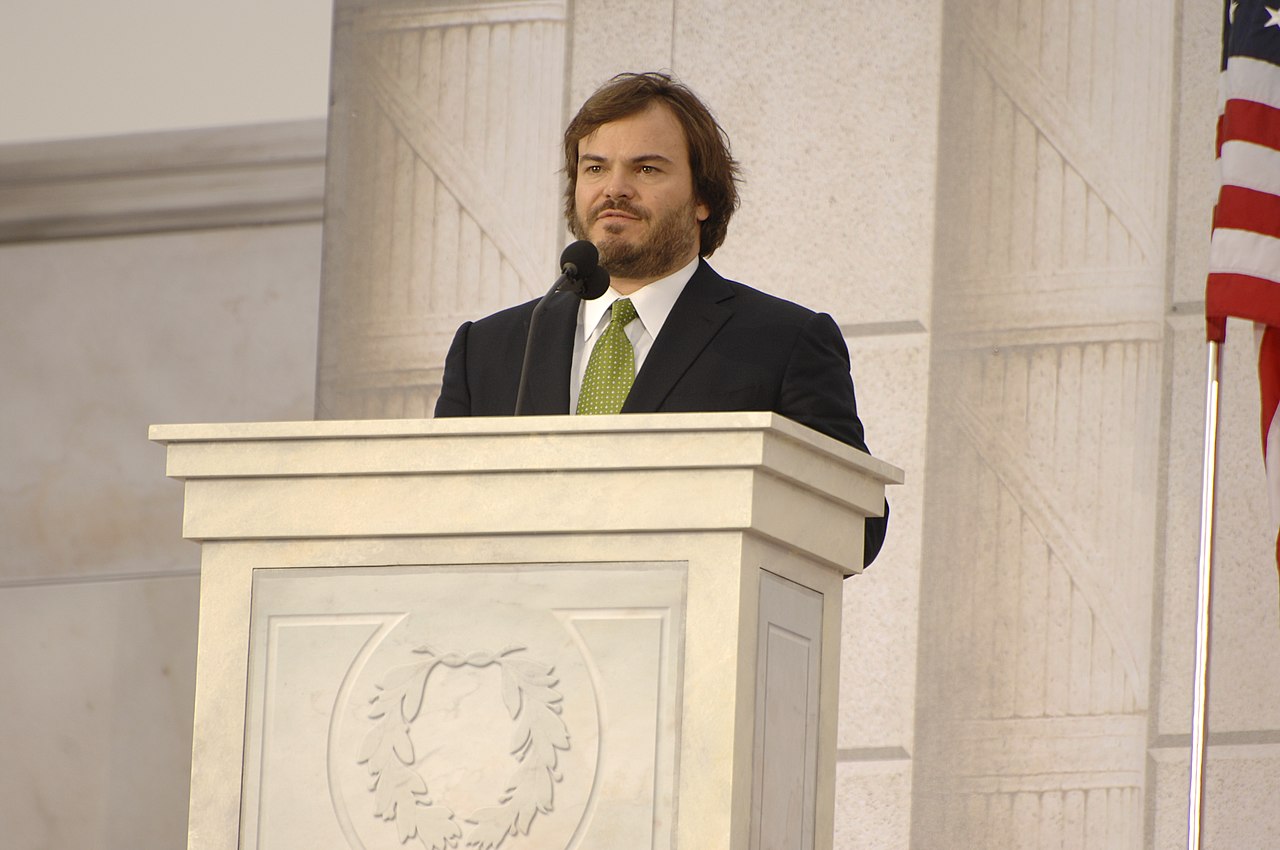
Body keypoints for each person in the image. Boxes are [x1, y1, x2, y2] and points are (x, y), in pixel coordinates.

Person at [435, 72, 887, 566]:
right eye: (595, 168)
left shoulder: (784, 342)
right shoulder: (488, 348)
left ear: (703, 198)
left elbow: (853, 528)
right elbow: (434, 517)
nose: (615, 189)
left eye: (646, 169)